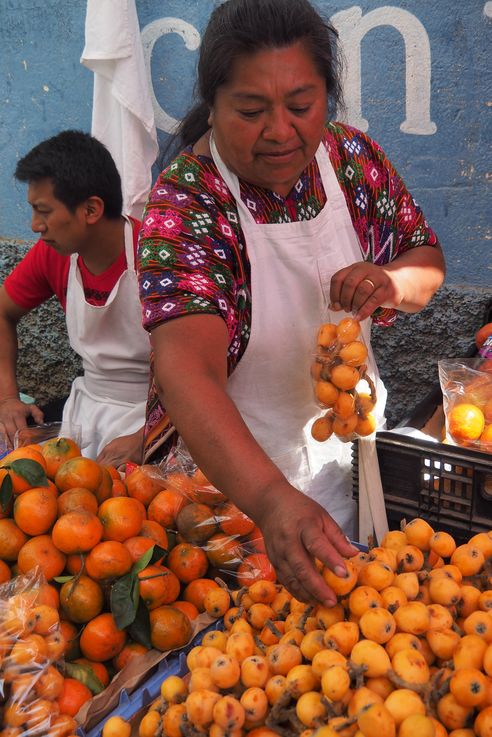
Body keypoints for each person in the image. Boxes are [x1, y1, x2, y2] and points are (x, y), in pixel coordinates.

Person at [137, 0, 446, 604]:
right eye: (251, 111)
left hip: (348, 459)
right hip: (226, 492)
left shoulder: (354, 163)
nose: (281, 131)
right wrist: (273, 500)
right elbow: (186, 372)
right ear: (213, 105)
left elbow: (424, 258)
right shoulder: (187, 205)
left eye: (301, 106)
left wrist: (391, 282)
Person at [0, 130, 150, 467]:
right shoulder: (53, 254)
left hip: (161, 418)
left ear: (91, 209)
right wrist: (8, 398)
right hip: (85, 409)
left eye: (43, 211)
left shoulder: (157, 255)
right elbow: (2, 313)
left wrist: (148, 436)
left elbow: (208, 370)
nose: (35, 225)